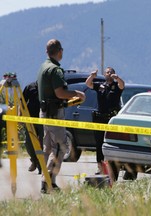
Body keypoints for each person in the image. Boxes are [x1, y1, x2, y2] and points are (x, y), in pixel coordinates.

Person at [37, 39, 85, 193]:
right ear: (60, 51)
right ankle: (49, 182)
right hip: (54, 113)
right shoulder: (56, 70)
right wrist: (77, 94)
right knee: (60, 147)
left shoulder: (43, 67)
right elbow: (60, 93)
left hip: (44, 111)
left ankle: (45, 181)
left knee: (48, 147)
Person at [85, 67, 125, 174]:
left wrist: (118, 78)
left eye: (111, 72)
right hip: (100, 118)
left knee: (113, 143)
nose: (109, 74)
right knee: (99, 144)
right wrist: (92, 76)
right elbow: (88, 84)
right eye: (107, 72)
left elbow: (122, 85)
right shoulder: (100, 85)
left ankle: (113, 167)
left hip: (111, 119)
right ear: (104, 74)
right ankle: (100, 167)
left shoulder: (116, 86)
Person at [22, 81, 43, 174]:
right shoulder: (29, 87)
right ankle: (34, 160)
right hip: (30, 119)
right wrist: (20, 116)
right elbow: (22, 102)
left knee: (43, 143)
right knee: (28, 143)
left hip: (43, 120)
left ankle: (42, 166)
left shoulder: (47, 87)